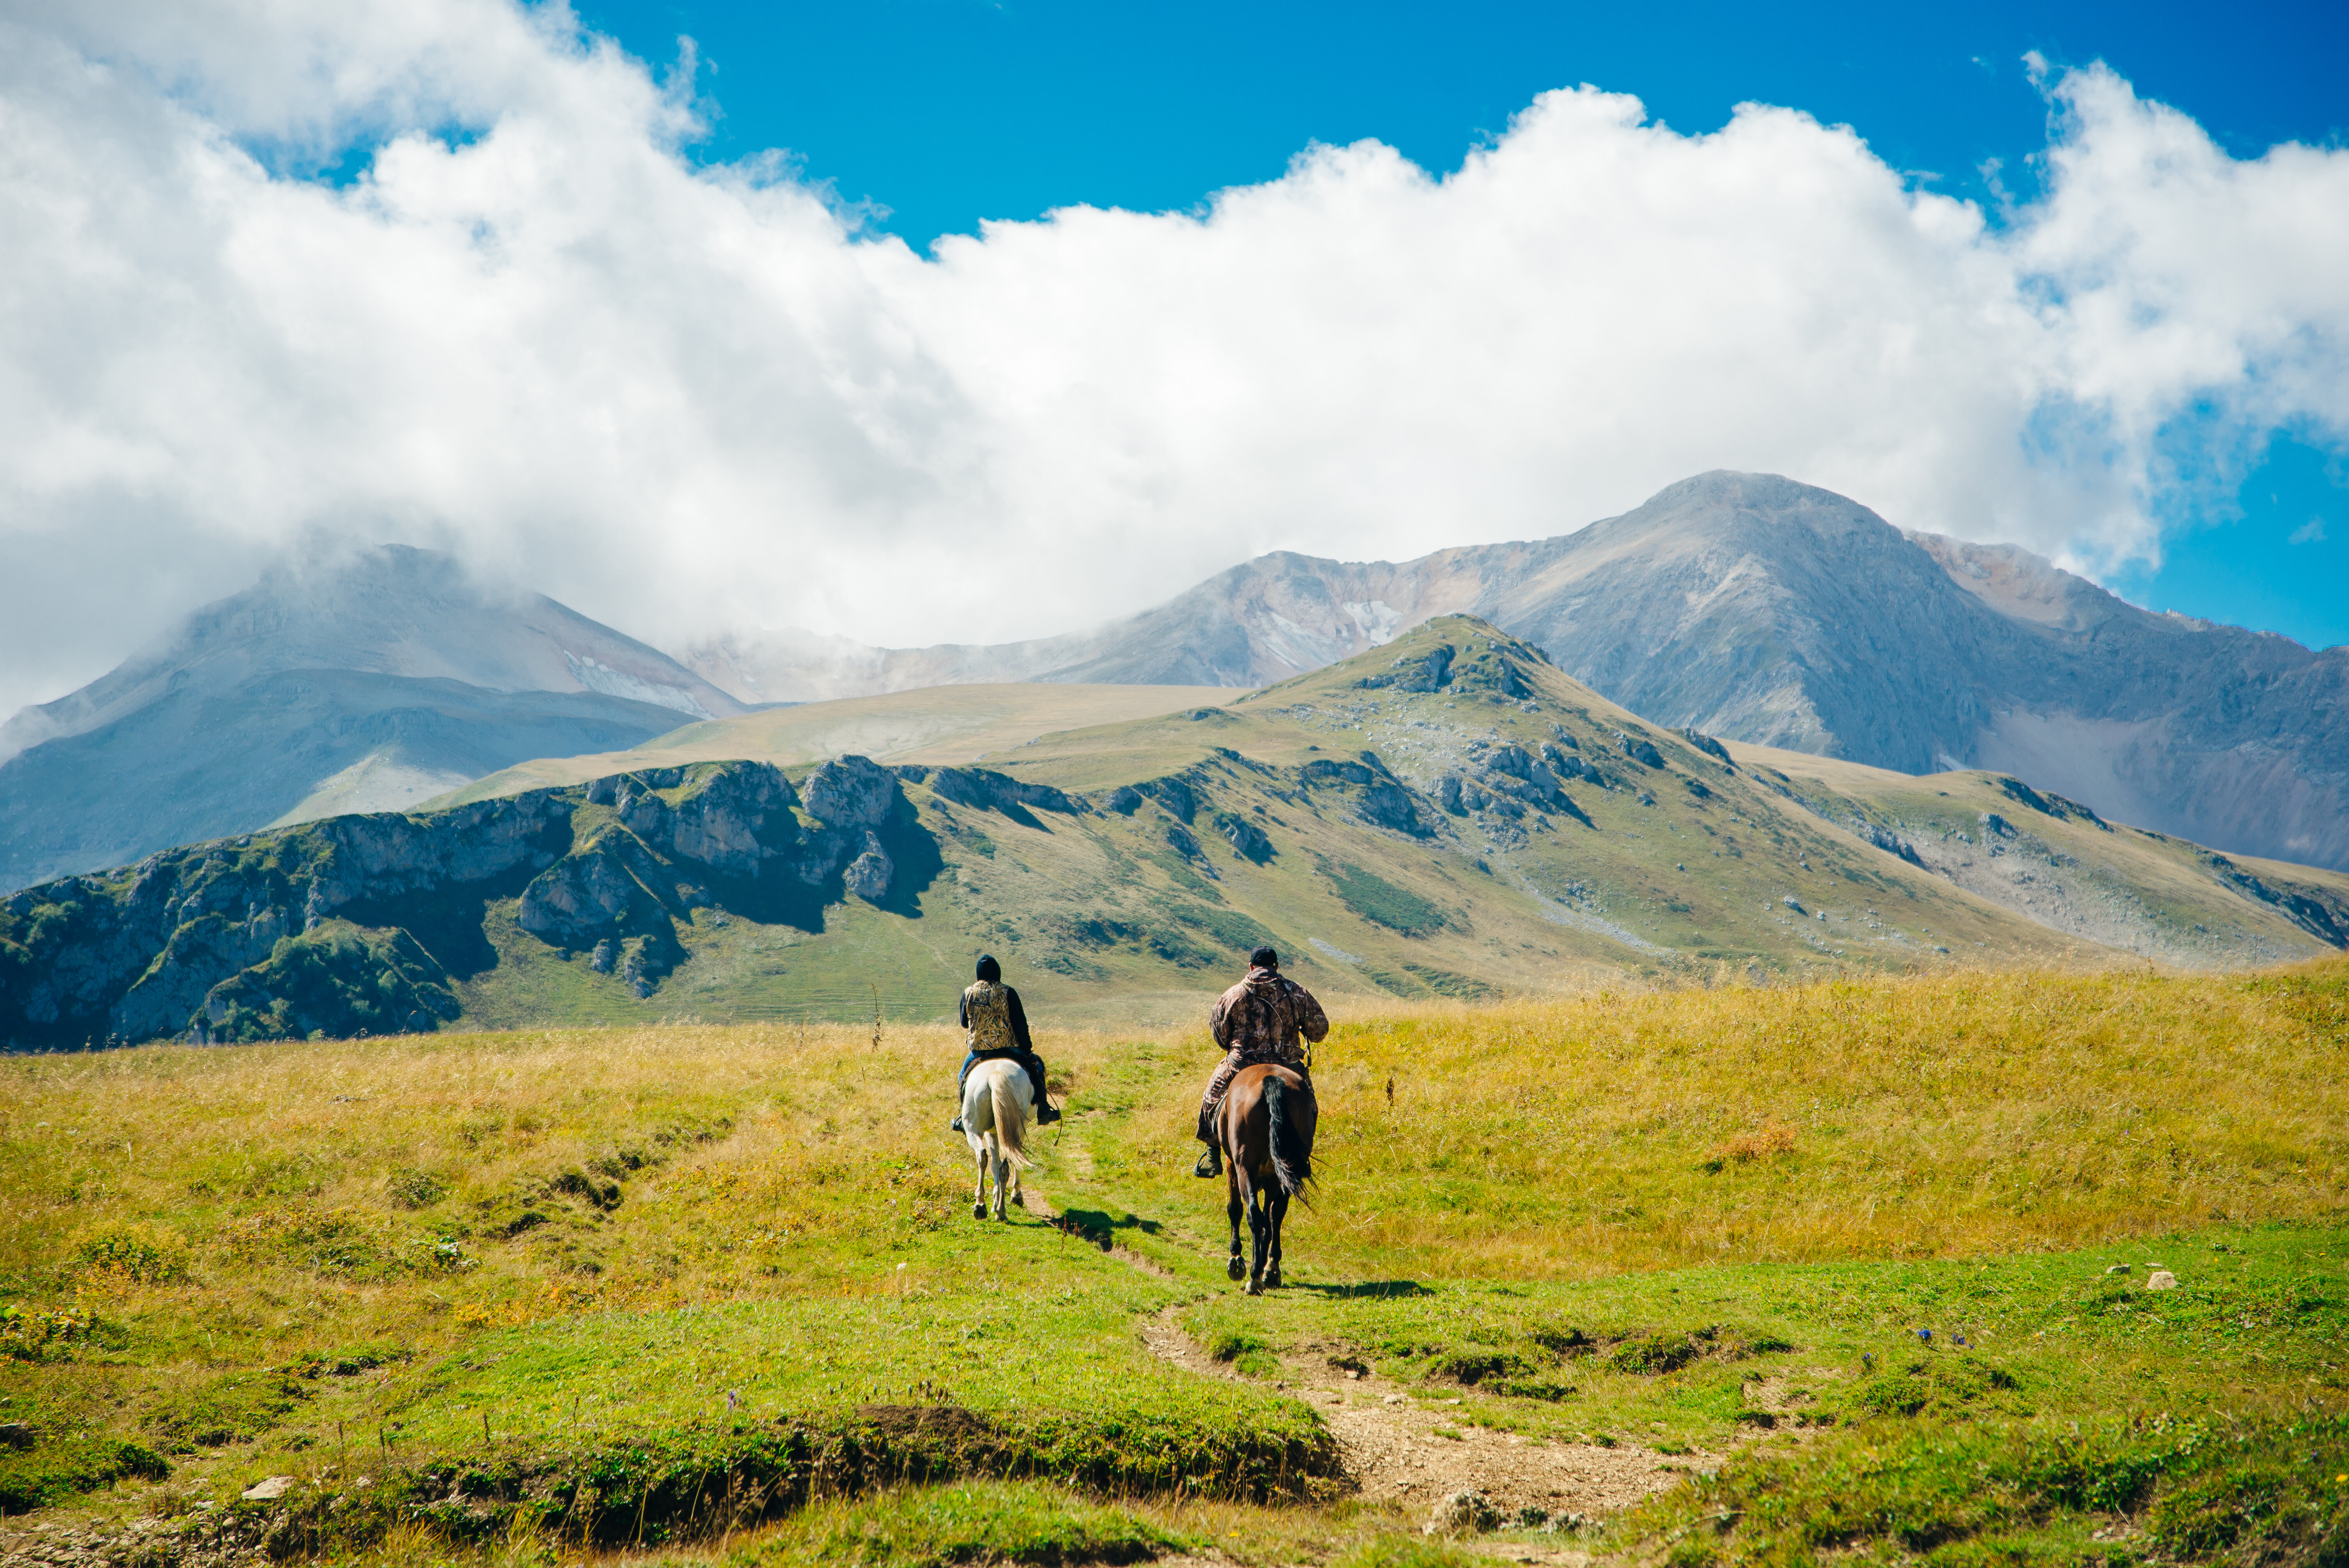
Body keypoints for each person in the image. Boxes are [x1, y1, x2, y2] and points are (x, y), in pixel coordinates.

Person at [1194, 945, 1327, 1177]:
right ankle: (1302, 1157)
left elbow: (1219, 1035)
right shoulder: (1297, 993)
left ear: (1251, 967)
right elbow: (1320, 1030)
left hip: (1241, 1065)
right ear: (1276, 967)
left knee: (1211, 1097)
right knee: (1310, 1106)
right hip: (1288, 1065)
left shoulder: (1233, 994)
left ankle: (1212, 1153)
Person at [951, 954, 1060, 1131]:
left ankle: (963, 1118)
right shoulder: (1008, 992)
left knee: (963, 1077)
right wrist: (1028, 1051)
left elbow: (965, 1023)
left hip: (980, 1051)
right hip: (1010, 1049)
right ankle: (1045, 1111)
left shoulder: (968, 993)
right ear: (998, 972)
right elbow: (1020, 1025)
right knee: (1038, 1068)